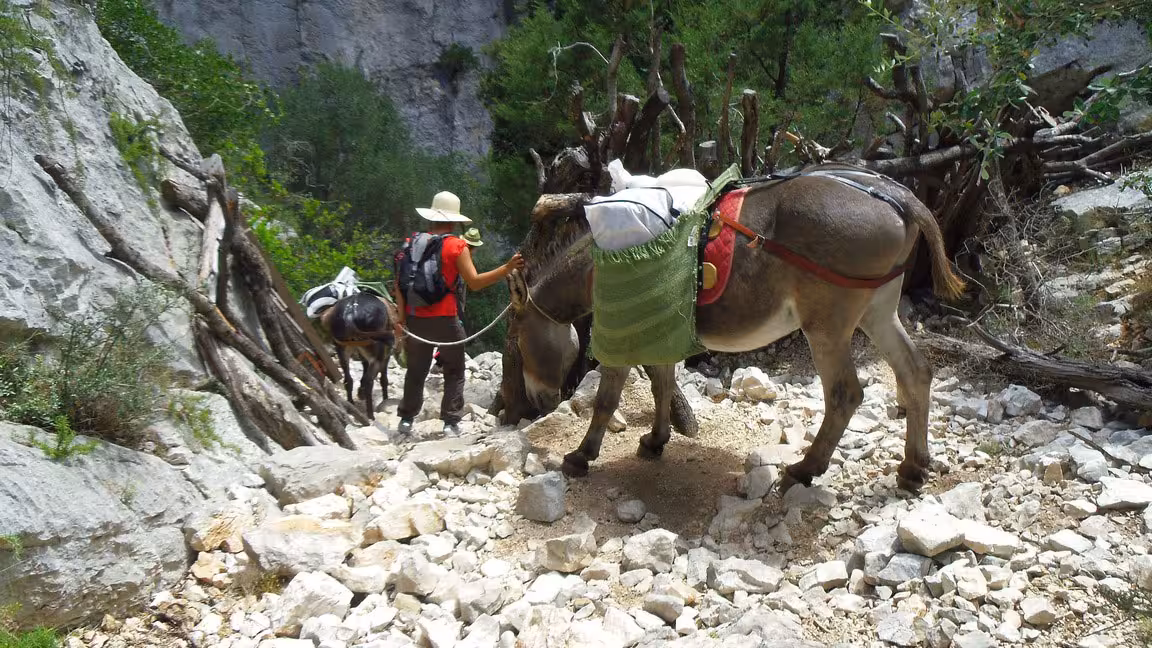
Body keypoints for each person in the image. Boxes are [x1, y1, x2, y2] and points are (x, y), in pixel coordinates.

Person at [394, 192, 523, 436]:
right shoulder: (456, 245)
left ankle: (406, 419)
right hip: (446, 320)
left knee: (416, 370)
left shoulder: (411, 243)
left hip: (414, 318)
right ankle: (450, 422)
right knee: (454, 369)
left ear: (431, 218)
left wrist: (401, 319)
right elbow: (474, 282)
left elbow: (398, 284)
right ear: (454, 221)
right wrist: (507, 268)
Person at [432, 227, 484, 371]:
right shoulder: (461, 256)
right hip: (453, 301)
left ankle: (440, 360)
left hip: (447, 300)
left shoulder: (456, 253)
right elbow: (465, 284)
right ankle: (441, 362)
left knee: (451, 331)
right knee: (458, 333)